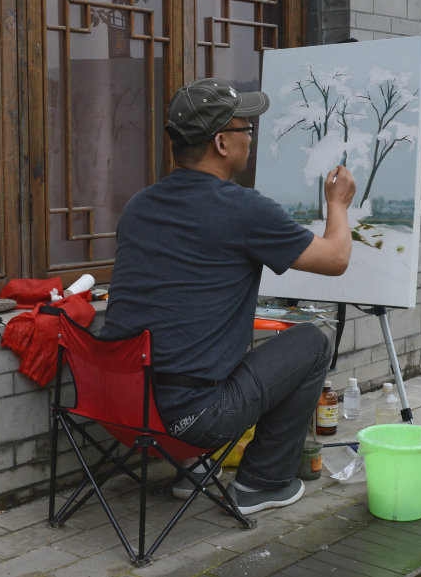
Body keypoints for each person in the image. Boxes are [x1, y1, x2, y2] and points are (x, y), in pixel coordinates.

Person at [100, 77, 355, 514]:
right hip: (192, 419)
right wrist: (338, 204)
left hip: (120, 406)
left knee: (211, 339)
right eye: (246, 131)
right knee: (312, 343)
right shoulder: (243, 208)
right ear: (221, 142)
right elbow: (335, 258)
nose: (250, 141)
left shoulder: (139, 205)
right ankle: (262, 482)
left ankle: (195, 469)